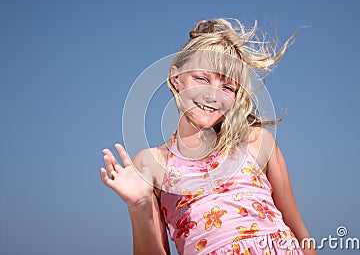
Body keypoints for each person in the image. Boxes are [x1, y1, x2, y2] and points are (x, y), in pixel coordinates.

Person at [100, 18, 316, 255]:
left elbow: (301, 236)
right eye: (202, 79)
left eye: (228, 88)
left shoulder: (257, 142)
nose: (213, 95)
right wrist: (139, 207)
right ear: (176, 78)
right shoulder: (152, 163)